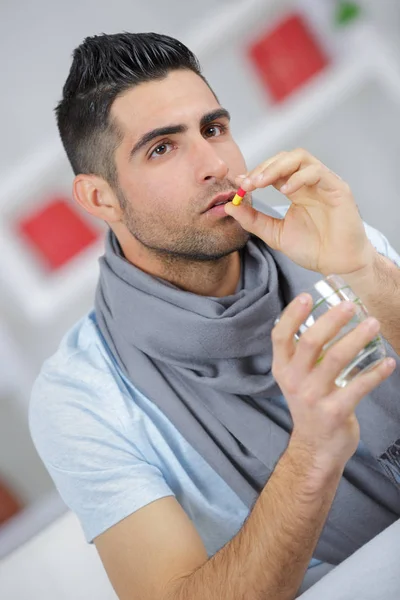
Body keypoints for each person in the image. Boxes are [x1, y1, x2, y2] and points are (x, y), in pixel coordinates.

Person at [29, 32, 400, 600]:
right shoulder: (79, 396)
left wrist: (365, 270)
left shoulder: (326, 240)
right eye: (161, 148)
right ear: (100, 199)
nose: (214, 165)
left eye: (213, 129)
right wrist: (313, 450)